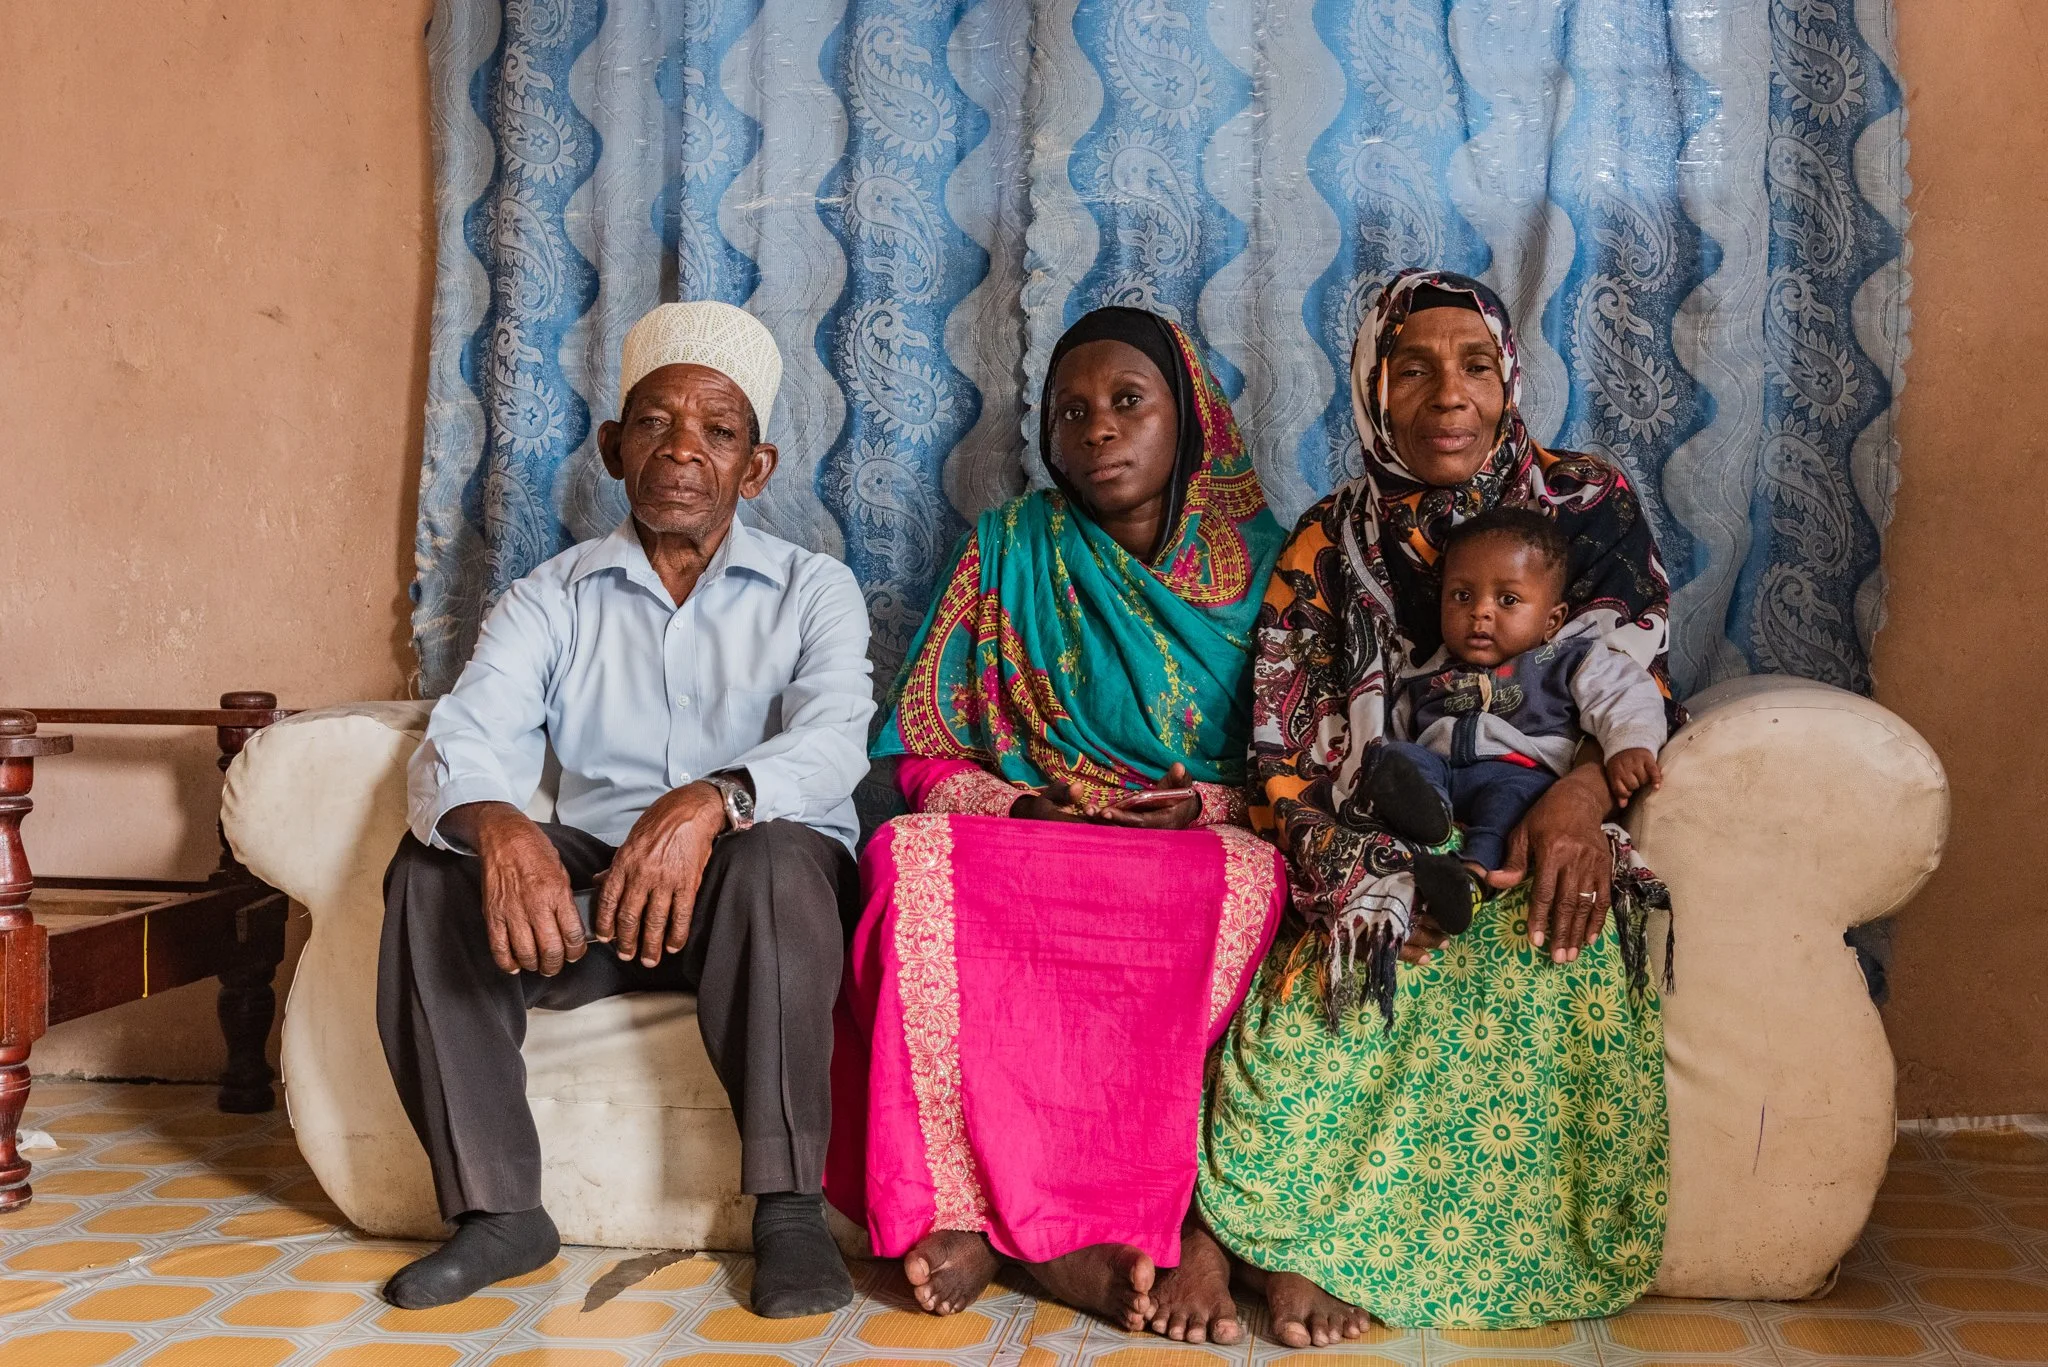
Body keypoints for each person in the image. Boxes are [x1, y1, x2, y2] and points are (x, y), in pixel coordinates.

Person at [1196, 270, 1679, 1340]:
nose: (1446, 395)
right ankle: (1301, 1245)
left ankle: (1453, 1249)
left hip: (1538, 822)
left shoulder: (1584, 503)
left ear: (1508, 378)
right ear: (1372, 385)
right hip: (1386, 836)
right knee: (1355, 969)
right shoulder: (1332, 542)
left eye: (1471, 366)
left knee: (1549, 942)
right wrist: (1357, 866)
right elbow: (1283, 742)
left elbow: (1633, 683)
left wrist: (1581, 798)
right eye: (1411, 368)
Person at [377, 301, 874, 1318]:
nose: (683, 451)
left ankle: (786, 1210)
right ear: (613, 447)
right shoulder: (548, 596)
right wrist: (500, 826)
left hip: (758, 902)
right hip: (601, 904)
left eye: (717, 431)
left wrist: (709, 800)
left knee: (776, 853)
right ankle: (497, 1211)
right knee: (433, 864)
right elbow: (463, 738)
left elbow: (833, 742)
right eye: (654, 423)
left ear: (757, 466)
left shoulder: (811, 588)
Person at [824, 308, 1287, 1344]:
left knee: (1258, 877)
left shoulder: (1267, 567)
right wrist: (1019, 799)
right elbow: (918, 746)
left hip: (1193, 842)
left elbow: (1306, 765)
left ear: (1190, 419)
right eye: (1070, 411)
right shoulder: (1009, 546)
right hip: (1032, 828)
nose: (1098, 431)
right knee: (909, 853)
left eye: (1129, 402)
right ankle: (973, 1214)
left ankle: (1145, 1227)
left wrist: (1203, 805)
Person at [1368, 506, 1669, 926]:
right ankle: (1430, 818)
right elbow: (1393, 732)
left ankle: (1469, 882)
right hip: (1444, 773)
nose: (1481, 612)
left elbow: (1625, 692)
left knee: (1505, 809)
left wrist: (1631, 743)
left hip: (1520, 774)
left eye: (1507, 600)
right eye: (1462, 596)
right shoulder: (1424, 677)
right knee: (1394, 759)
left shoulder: (1565, 659)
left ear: (1553, 620)